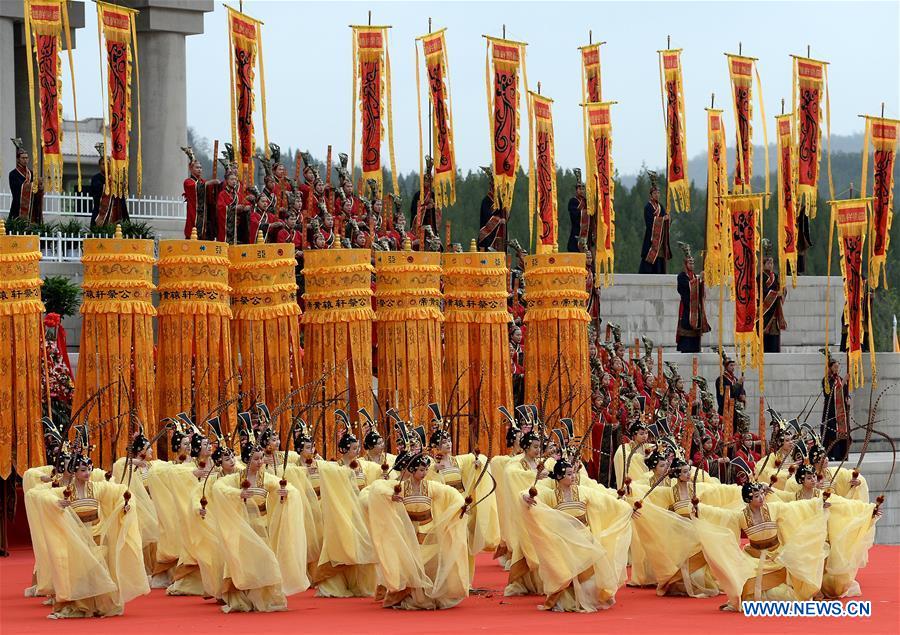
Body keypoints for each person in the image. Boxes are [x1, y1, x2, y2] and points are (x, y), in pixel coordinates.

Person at [24, 443, 149, 618]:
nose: (87, 473)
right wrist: (56, 503)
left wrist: (125, 505)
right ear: (74, 472)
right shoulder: (66, 491)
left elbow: (120, 491)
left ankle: (102, 605)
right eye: (83, 470)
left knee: (99, 571)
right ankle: (81, 606)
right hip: (78, 538)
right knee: (81, 573)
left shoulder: (97, 488)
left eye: (88, 469)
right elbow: (37, 495)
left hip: (97, 535)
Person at [519, 452, 634, 612]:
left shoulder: (583, 491)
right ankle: (568, 601)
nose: (573, 477)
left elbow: (606, 499)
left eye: (573, 473)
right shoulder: (551, 495)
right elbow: (530, 494)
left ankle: (589, 599)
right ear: (559, 476)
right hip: (564, 541)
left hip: (584, 537)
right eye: (569, 474)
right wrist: (525, 497)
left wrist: (627, 507)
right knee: (566, 572)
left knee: (589, 570)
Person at [209, 432, 309, 612]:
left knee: (266, 560)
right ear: (247, 461)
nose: (260, 461)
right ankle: (244, 598)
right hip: (243, 529)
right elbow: (218, 487)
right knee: (245, 563)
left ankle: (264, 598)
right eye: (256, 459)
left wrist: (286, 493)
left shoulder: (266, 478)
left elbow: (288, 487)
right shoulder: (236, 479)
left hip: (262, 528)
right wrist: (238, 494)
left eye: (261, 457)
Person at [693, 479, 828, 612]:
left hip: (777, 557)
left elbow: (796, 507)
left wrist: (818, 503)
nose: (761, 497)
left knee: (784, 595)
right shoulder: (740, 516)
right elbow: (720, 515)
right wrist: (700, 509)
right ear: (748, 499)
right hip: (753, 557)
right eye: (756, 496)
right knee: (743, 583)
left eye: (761, 494)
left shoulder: (774, 508)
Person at [362, 451, 469, 609]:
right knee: (412, 564)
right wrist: (390, 495)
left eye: (426, 469)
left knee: (431, 563)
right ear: (411, 470)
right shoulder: (400, 487)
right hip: (409, 531)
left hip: (429, 530)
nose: (424, 473)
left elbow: (451, 493)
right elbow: (376, 488)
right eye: (420, 470)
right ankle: (414, 596)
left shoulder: (431, 486)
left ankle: (430, 594)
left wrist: (460, 506)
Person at [675, 242, 710, 353]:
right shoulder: (681, 276)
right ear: (685, 264)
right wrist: (699, 280)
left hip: (696, 309)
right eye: (690, 263)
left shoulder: (694, 276)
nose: (692, 265)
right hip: (687, 308)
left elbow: (699, 290)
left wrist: (702, 282)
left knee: (695, 336)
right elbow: (687, 288)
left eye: (693, 263)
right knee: (687, 331)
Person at [181, 146, 216, 240]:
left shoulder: (203, 182)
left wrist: (214, 187)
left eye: (200, 167)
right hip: (194, 214)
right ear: (191, 169)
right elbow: (196, 187)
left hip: (204, 216)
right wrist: (209, 183)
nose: (199, 169)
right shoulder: (188, 182)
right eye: (197, 168)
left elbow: (210, 196)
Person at [821, 350, 851, 461]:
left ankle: (842, 454)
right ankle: (831, 454)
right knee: (832, 433)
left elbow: (845, 392)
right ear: (830, 368)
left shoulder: (840, 379)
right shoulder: (826, 380)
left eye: (838, 367)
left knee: (843, 433)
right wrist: (843, 384)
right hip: (831, 411)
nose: (837, 369)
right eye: (835, 367)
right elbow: (830, 394)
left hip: (841, 412)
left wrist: (848, 398)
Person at [90, 143, 129, 228]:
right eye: (103, 164)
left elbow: (123, 191)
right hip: (102, 210)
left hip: (115, 208)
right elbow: (96, 191)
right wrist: (108, 184)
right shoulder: (96, 178)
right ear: (99, 166)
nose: (106, 166)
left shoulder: (116, 177)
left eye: (108, 163)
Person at [638, 172, 670, 274]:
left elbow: (665, 218)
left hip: (660, 239)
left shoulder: (661, 206)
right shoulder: (648, 207)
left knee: (660, 259)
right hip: (651, 238)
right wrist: (662, 219)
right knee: (649, 257)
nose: (657, 195)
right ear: (651, 195)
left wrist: (668, 219)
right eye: (655, 193)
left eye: (658, 193)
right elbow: (649, 222)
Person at [760, 238, 788, 352]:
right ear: (763, 264)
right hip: (764, 313)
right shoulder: (760, 277)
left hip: (775, 314)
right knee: (765, 344)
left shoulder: (776, 277)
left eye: (772, 263)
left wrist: (783, 291)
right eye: (768, 263)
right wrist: (777, 294)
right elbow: (763, 292)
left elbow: (782, 291)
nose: (771, 265)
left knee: (774, 343)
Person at [7, 137, 43, 222]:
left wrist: (40, 187)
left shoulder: (31, 173)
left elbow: (36, 191)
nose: (25, 160)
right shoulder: (13, 174)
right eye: (23, 158)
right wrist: (34, 184)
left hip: (32, 208)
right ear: (18, 159)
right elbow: (17, 190)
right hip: (18, 207)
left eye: (26, 158)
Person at [477, 166, 507, 251]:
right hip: (487, 238)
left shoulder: (500, 201)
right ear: (491, 186)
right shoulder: (486, 201)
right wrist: (499, 220)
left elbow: (506, 217)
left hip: (500, 235)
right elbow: (487, 218)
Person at [566, 168, 591, 253]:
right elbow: (575, 215)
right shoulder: (573, 201)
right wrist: (586, 212)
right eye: (579, 189)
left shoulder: (587, 202)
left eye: (583, 189)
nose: (581, 191)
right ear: (576, 190)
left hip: (587, 234)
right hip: (577, 232)